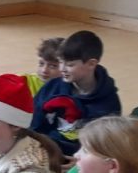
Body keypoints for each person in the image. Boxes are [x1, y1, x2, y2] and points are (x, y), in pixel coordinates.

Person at [31, 30, 121, 158]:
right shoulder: (52, 87)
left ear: (91, 64)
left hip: (80, 159)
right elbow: (33, 123)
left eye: (70, 64)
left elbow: (102, 147)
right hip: (43, 149)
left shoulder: (109, 103)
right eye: (61, 62)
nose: (62, 69)